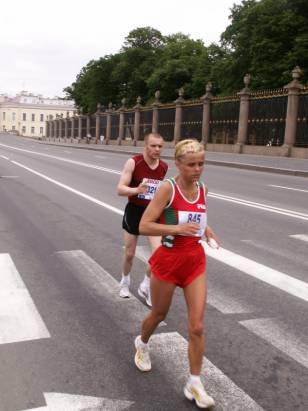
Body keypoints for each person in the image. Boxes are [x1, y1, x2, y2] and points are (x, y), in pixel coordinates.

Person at [134, 139, 220, 409]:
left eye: (201, 164)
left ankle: (194, 382)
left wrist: (207, 230)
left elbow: (196, 216)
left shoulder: (203, 189)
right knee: (159, 314)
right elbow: (145, 225)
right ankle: (142, 342)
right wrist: (175, 231)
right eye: (192, 164)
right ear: (179, 164)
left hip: (194, 261)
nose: (198, 169)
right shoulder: (167, 189)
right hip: (168, 261)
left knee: (197, 326)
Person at [117, 132, 168, 306]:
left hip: (152, 214)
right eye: (153, 146)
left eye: (160, 146)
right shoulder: (134, 162)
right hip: (134, 211)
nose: (157, 149)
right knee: (130, 254)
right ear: (145, 146)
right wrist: (136, 190)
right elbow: (120, 189)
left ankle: (146, 285)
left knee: (159, 255)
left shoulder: (163, 167)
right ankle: (125, 281)